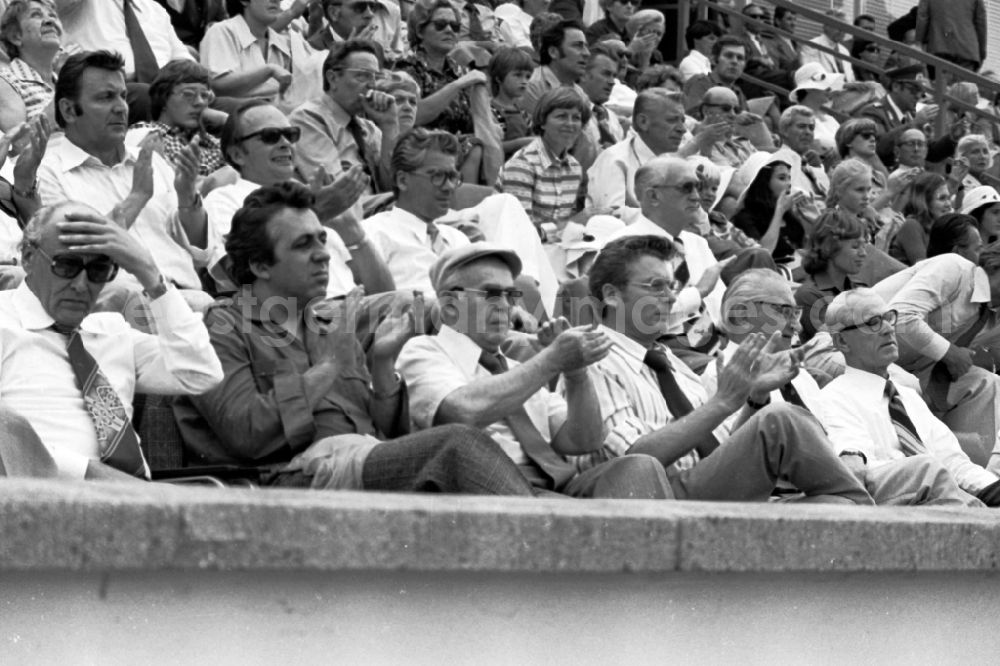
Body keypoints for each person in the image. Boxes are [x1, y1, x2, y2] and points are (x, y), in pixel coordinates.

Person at [175, 182, 538, 496]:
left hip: (358, 461)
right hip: (283, 478)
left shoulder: (329, 325)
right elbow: (245, 432)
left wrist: (382, 366)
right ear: (260, 265)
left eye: (322, 239)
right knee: (456, 444)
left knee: (453, 448)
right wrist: (329, 367)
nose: (322, 254)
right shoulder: (220, 327)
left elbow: (388, 434)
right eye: (303, 245)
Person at [582, 235, 874, 504]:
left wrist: (755, 397)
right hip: (663, 496)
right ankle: (870, 516)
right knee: (779, 419)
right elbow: (633, 461)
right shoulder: (593, 359)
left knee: (835, 504)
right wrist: (722, 403)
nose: (671, 298)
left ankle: (862, 513)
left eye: (671, 287)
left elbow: (725, 448)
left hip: (713, 488)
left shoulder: (672, 363)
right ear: (611, 294)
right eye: (655, 286)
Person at [397, 242, 674, 498]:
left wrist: (576, 372)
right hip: (491, 490)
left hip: (555, 490)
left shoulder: (517, 369)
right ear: (449, 307)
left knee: (641, 468)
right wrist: (551, 360)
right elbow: (460, 411)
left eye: (510, 295)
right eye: (491, 294)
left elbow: (584, 440)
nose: (506, 306)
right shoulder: (424, 351)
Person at [707, 269, 971, 506]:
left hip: (836, 482)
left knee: (942, 479)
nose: (796, 325)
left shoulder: (799, 377)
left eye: (795, 313)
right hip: (784, 496)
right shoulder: (720, 373)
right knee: (925, 471)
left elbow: (834, 439)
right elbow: (732, 460)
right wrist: (758, 395)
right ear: (740, 315)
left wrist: (853, 459)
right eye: (783, 311)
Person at [0, 200, 223, 480]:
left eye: (98, 270)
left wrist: (149, 274)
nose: (82, 285)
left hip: (134, 503)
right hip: (36, 500)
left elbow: (202, 374)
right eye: (67, 265)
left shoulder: (113, 331)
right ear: (29, 257)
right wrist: (89, 473)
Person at [37, 50, 211, 309]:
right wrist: (137, 198)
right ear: (69, 110)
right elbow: (70, 257)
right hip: (119, 309)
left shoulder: (150, 160)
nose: (121, 107)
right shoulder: (47, 172)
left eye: (123, 96)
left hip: (191, 298)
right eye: (106, 97)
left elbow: (200, 253)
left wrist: (188, 200)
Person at [822, 288, 998, 505]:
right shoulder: (833, 398)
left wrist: (993, 488)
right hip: (892, 508)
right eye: (872, 323)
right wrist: (921, 471)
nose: (888, 329)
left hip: (941, 500)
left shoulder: (908, 397)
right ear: (842, 342)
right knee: (926, 468)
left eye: (889, 318)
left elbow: (954, 463)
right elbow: (857, 469)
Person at [205, 99, 387, 298]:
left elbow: (383, 293)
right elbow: (239, 276)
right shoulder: (224, 200)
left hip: (355, 313)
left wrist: (352, 230)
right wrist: (315, 214)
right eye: (270, 136)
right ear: (237, 154)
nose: (285, 144)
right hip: (298, 318)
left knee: (410, 306)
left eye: (291, 135)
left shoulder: (318, 197)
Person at [872, 244, 1000, 468]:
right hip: (853, 353)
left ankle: (971, 476)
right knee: (907, 386)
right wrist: (950, 353)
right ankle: (925, 471)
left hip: (911, 371)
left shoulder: (992, 314)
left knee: (987, 383)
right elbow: (898, 316)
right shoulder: (955, 268)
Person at [362, 128, 471, 294]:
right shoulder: (373, 233)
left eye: (452, 177)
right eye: (438, 176)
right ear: (403, 180)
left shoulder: (458, 239)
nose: (449, 186)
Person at [394, 0, 487, 182]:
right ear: (420, 31)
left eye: (455, 26)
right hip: (419, 151)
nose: (449, 30)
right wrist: (457, 86)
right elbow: (414, 116)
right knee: (474, 146)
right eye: (440, 25)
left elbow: (473, 123)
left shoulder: (458, 70)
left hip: (455, 150)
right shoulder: (406, 68)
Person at [290, 39, 399, 193]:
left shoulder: (370, 129)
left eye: (376, 77)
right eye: (362, 76)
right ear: (333, 78)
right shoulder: (307, 119)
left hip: (379, 211)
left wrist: (390, 127)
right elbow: (338, 193)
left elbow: (393, 188)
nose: (372, 85)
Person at [495, 87, 587, 238]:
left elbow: (565, 226)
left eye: (576, 118)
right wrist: (572, 224)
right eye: (562, 116)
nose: (570, 124)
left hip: (556, 248)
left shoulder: (574, 167)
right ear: (542, 123)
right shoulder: (522, 165)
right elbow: (520, 233)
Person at [586, 88, 687, 222]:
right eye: (672, 120)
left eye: (682, 120)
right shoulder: (615, 159)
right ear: (643, 122)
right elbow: (610, 216)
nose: (682, 129)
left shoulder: (671, 162)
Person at [199, 0, 318, 112]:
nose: (276, 0)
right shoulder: (222, 31)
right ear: (244, 0)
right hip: (237, 118)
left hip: (280, 114)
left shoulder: (284, 42)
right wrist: (268, 70)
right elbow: (218, 85)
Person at [56, 0, 191, 84]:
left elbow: (184, 62)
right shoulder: (81, 4)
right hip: (103, 89)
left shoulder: (155, 9)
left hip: (164, 93)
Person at [131, 59, 226, 177]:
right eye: (188, 94)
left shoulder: (211, 141)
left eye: (204, 95)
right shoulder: (145, 133)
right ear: (163, 98)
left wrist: (226, 121)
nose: (200, 102)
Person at [795, 209, 868, 342]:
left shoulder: (860, 287)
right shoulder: (807, 295)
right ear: (828, 247)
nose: (864, 253)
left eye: (864, 245)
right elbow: (840, 342)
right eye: (856, 246)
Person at [730, 152, 806, 264]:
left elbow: (806, 248)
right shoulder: (745, 218)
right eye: (782, 178)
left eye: (789, 178)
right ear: (763, 182)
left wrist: (812, 219)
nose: (789, 183)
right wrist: (779, 211)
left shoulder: (789, 214)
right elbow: (763, 254)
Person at [0, 0, 59, 132]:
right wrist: (67, 90)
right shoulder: (6, 81)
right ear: (16, 37)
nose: (50, 21)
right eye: (36, 15)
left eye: (52, 16)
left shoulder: (61, 79)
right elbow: (18, 144)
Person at [519, 18, 588, 116]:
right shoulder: (532, 86)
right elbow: (540, 129)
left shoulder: (579, 92)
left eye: (586, 47)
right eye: (578, 46)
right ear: (553, 52)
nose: (587, 53)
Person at [308, 0, 406, 63]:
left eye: (371, 6)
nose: (370, 14)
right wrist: (349, 53)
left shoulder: (375, 47)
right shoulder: (312, 49)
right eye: (360, 7)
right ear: (334, 13)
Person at [890, 172, 952, 265]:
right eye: (942, 198)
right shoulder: (911, 226)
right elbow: (924, 268)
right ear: (925, 201)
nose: (948, 204)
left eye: (948, 198)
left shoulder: (942, 228)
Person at [789, 62, 842, 163]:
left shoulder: (831, 119)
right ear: (809, 89)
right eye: (824, 85)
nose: (830, 89)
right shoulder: (795, 118)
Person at [682, 35, 748, 116]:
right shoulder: (700, 83)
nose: (735, 61)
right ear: (713, 60)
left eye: (740, 58)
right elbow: (692, 119)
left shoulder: (738, 92)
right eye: (729, 56)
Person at [487, 46, 534, 157]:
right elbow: (489, 146)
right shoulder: (489, 110)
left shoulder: (523, 113)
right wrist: (520, 143)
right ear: (498, 78)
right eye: (518, 75)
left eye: (528, 77)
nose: (524, 81)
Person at [915, 0, 987, 72]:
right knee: (964, 83)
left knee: (939, 82)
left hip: (939, 48)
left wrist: (919, 44)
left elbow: (922, 17)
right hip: (967, 54)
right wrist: (981, 55)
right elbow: (981, 24)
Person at [578, 43, 623, 152]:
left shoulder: (612, 118)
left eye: (614, 76)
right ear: (584, 74)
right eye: (606, 74)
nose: (612, 82)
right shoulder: (567, 111)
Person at [799, 9, 854, 83]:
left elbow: (851, 79)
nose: (842, 32)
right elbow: (814, 77)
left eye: (844, 28)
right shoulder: (812, 46)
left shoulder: (845, 51)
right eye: (838, 27)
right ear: (826, 26)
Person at [763, 6, 799, 73]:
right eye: (789, 19)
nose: (794, 23)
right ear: (778, 21)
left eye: (795, 19)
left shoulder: (796, 44)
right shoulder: (770, 43)